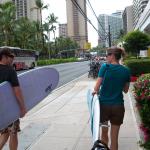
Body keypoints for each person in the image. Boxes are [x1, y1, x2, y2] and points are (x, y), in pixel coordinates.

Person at [93, 46, 130, 150]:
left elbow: (96, 88)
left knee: (104, 134)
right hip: (118, 107)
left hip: (104, 106)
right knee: (115, 139)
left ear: (113, 56)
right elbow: (126, 90)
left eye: (107, 55)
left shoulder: (105, 67)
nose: (106, 57)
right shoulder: (126, 71)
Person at [0, 48, 27, 150]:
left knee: (4, 133)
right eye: (11, 57)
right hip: (10, 109)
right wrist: (23, 107)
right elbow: (17, 91)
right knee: (13, 133)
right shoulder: (10, 70)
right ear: (4, 57)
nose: (12, 60)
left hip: (1, 110)